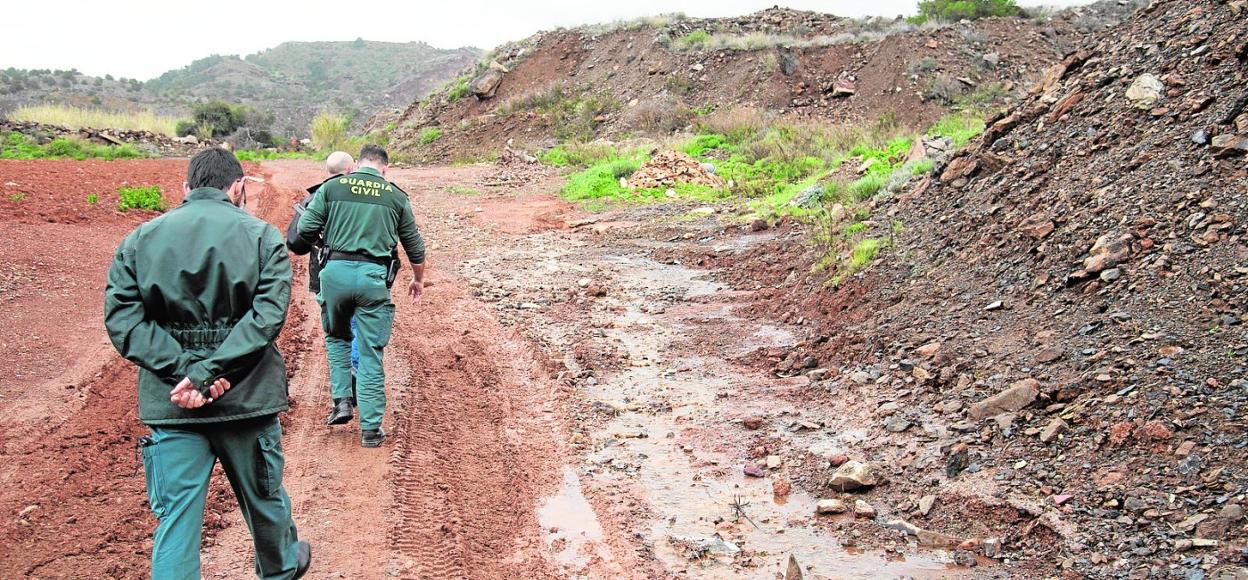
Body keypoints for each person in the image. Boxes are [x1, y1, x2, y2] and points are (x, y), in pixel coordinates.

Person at [105, 148, 311, 579]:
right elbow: (267, 319)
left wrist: (185, 372)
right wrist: (208, 374)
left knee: (176, 522)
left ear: (186, 189)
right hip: (246, 399)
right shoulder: (262, 237)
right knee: (264, 500)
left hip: (173, 404)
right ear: (237, 187)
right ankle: (281, 570)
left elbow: (124, 321)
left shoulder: (139, 240)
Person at [296, 145, 425, 447]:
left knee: (337, 338)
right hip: (372, 279)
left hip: (335, 275)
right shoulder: (395, 196)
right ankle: (370, 430)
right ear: (385, 169)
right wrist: (418, 280)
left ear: (357, 164)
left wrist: (329, 243)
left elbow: (305, 229)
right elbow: (415, 248)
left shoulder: (332, 187)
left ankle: (342, 401)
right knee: (369, 351)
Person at [286, 151, 364, 414]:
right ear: (350, 169)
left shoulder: (314, 197)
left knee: (336, 332)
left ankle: (344, 388)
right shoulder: (363, 195)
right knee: (357, 325)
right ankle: (356, 373)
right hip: (362, 272)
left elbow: (295, 242)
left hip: (325, 274)